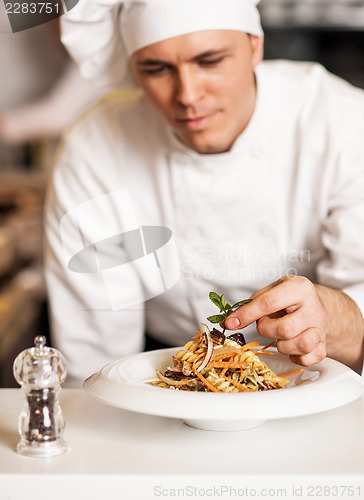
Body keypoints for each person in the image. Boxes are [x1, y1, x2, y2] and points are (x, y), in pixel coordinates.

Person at [44, 0, 364, 387]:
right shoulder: (96, 153)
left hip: (322, 376)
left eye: (209, 60)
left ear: (255, 46)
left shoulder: (342, 122)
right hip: (163, 377)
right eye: (157, 68)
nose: (188, 95)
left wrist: (331, 316)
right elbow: (98, 365)